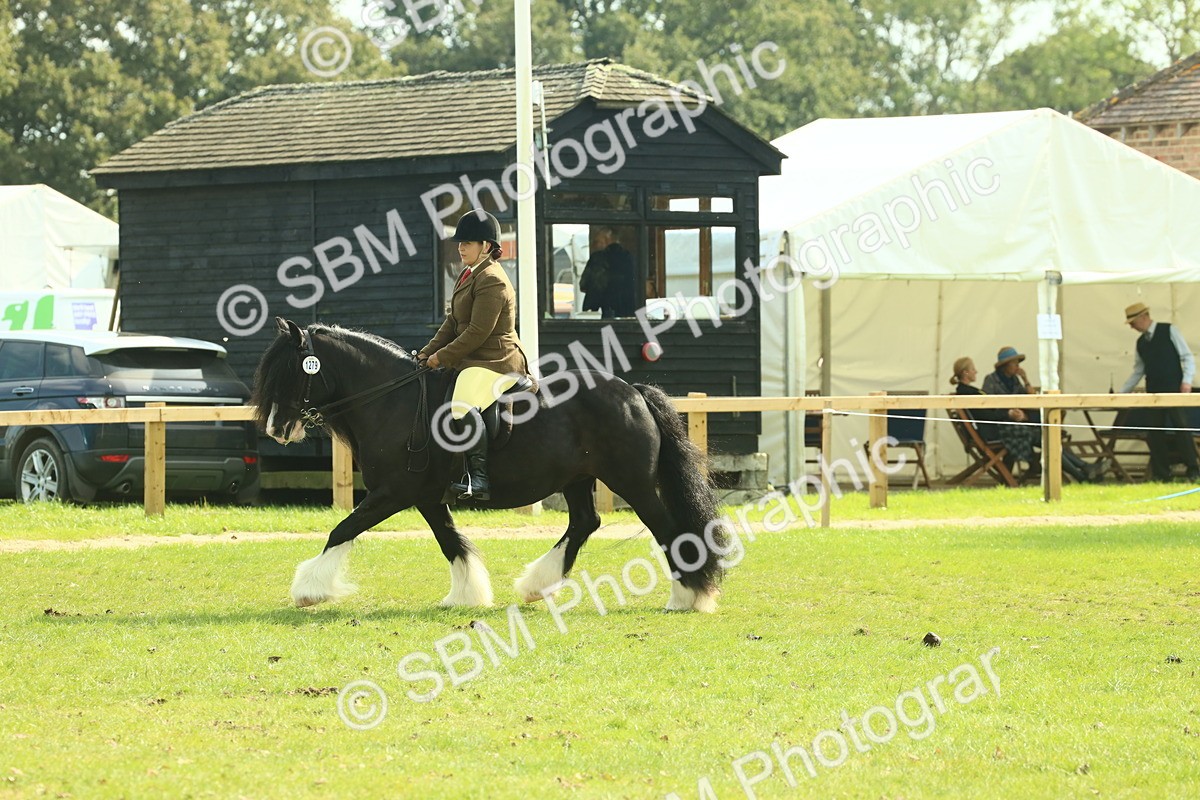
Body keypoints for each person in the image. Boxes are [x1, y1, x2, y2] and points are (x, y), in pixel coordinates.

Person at [417, 209, 536, 501]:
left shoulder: (492, 279)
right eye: (459, 242)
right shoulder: (468, 274)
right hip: (475, 356)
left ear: (486, 246)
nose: (460, 247)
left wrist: (441, 358)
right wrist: (426, 353)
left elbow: (477, 332)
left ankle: (479, 478)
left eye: (468, 242)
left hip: (495, 360)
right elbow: (452, 322)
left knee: (459, 405)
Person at [974, 348, 1106, 483]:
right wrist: (1008, 413)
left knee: (1049, 437)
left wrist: (1025, 379)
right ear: (1005, 365)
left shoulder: (1014, 380)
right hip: (1004, 427)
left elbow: (1031, 398)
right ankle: (1083, 473)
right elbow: (988, 408)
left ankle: (1084, 471)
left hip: (1019, 423)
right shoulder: (991, 380)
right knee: (1048, 438)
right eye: (1015, 363)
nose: (1018, 367)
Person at [1118, 302, 1200, 482]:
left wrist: (1186, 381)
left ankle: (1193, 470)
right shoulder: (1140, 343)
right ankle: (1162, 473)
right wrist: (1122, 393)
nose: (1132, 327)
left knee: (1182, 429)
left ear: (1143, 317)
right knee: (1155, 433)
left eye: (1133, 322)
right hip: (1153, 392)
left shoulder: (1169, 330)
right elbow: (1138, 370)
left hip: (1174, 389)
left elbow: (1186, 357)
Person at [580, 227, 636, 318]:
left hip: (605, 313)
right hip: (630, 315)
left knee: (607, 332)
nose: (594, 245)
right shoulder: (631, 259)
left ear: (606, 240)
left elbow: (584, 285)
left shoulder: (597, 259)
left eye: (597, 242)